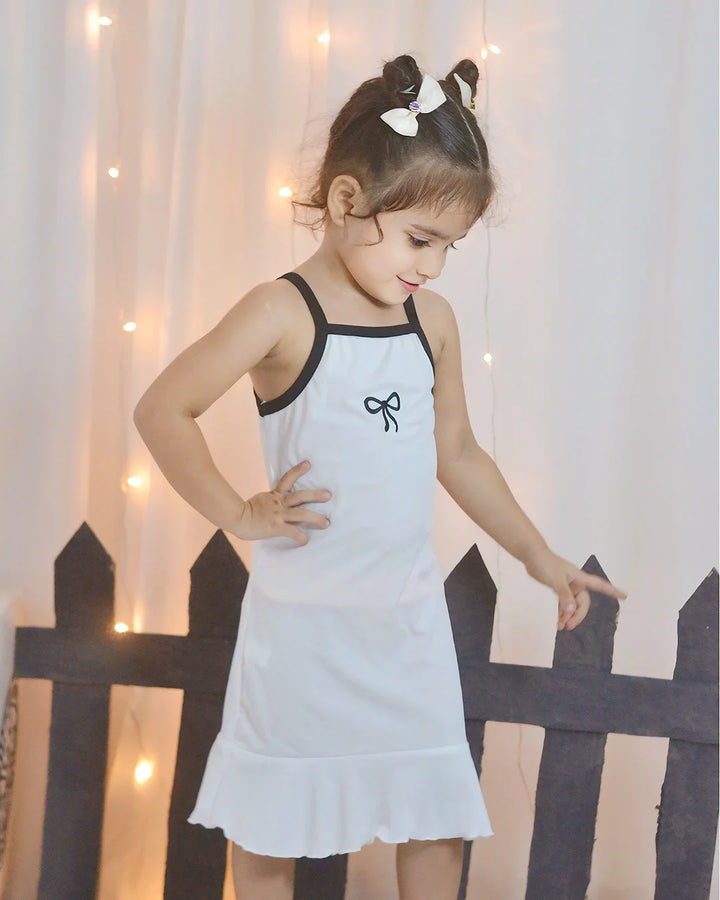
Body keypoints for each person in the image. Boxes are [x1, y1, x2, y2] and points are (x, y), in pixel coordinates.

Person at [134, 54, 626, 900]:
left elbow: (458, 452)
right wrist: (236, 511)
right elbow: (162, 408)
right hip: (303, 631)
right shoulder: (280, 311)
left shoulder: (427, 322)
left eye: (449, 248)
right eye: (420, 241)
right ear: (347, 202)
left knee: (432, 809)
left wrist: (539, 557)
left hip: (403, 624)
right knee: (272, 819)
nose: (432, 268)